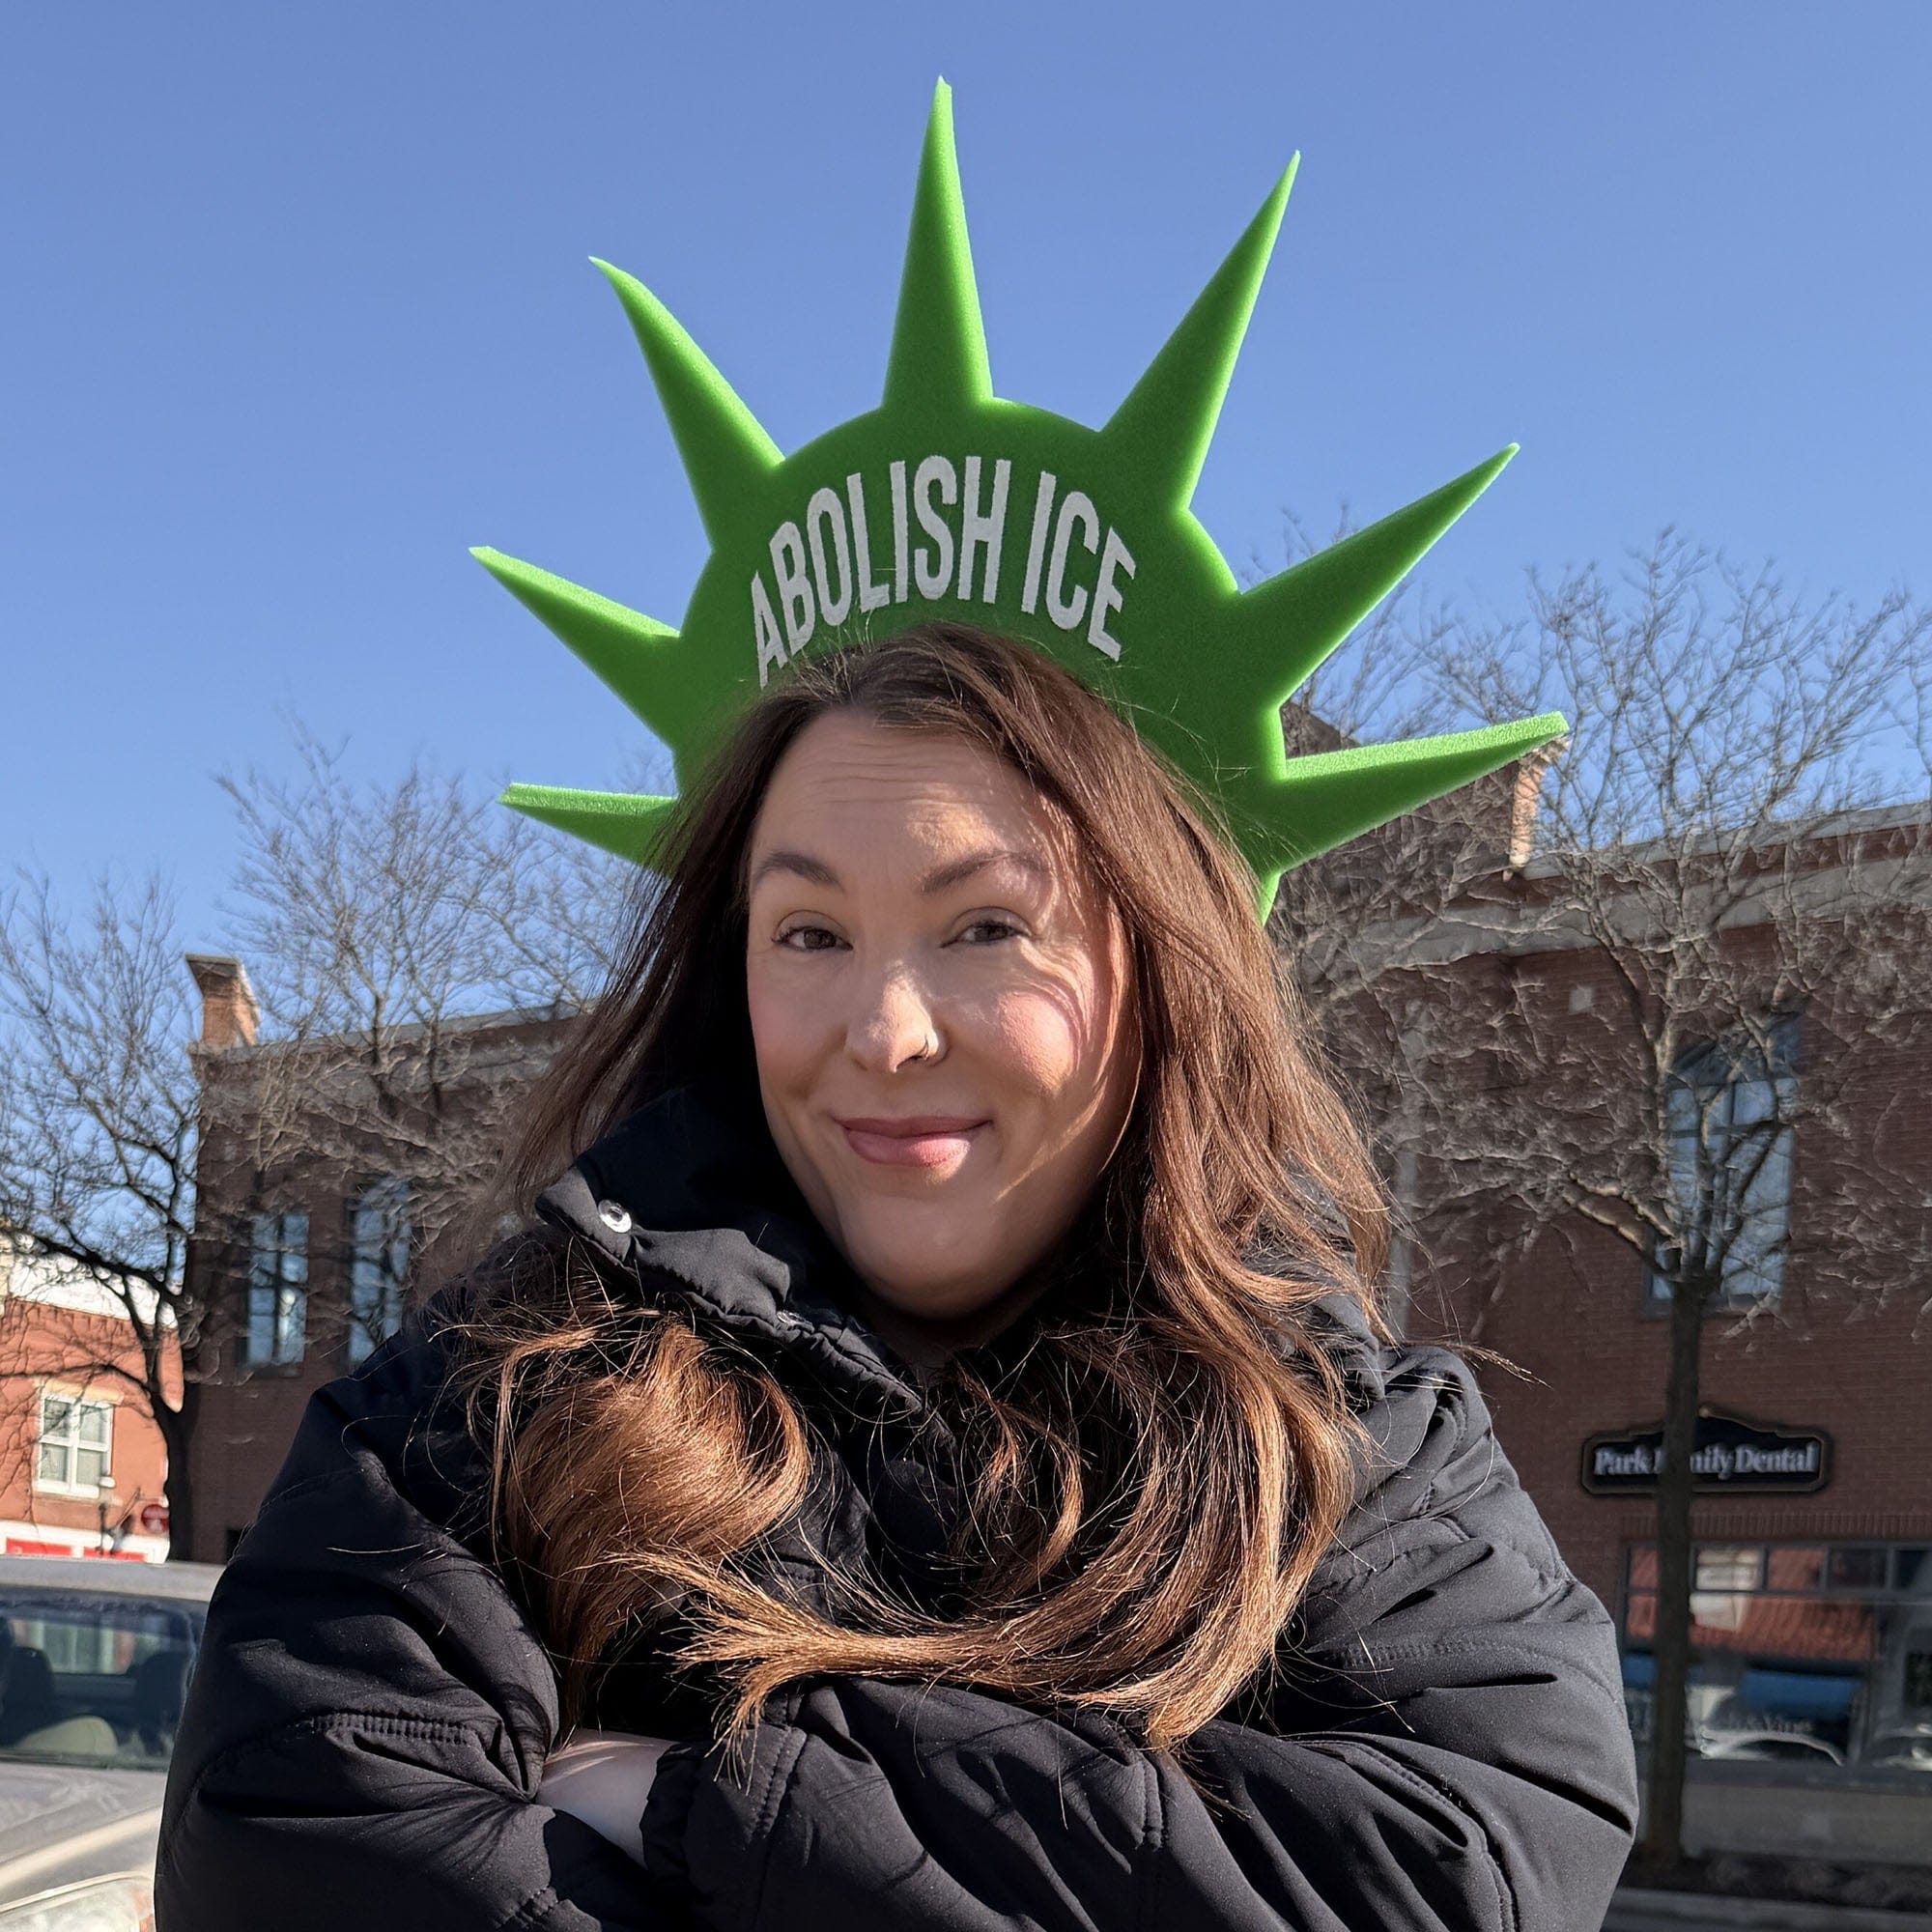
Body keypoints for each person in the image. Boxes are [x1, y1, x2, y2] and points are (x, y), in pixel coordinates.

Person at [157, 624, 1639, 1932]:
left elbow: (1465, 1871)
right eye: (809, 932)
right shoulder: (472, 1413)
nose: (884, 1029)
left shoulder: (1354, 1451)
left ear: (1156, 969)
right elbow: (300, 1849)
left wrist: (708, 1801)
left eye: (985, 927)